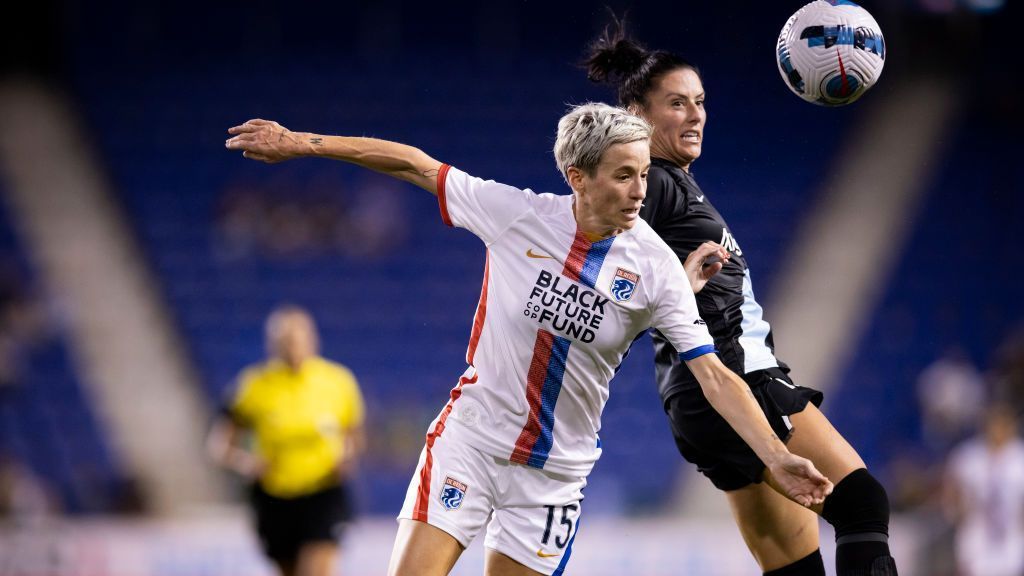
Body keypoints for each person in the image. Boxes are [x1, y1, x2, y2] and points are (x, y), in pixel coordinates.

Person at [224, 103, 832, 576]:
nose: (640, 191)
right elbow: (413, 162)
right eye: (623, 176)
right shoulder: (516, 214)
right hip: (473, 441)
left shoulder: (654, 266)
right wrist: (301, 143)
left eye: (644, 174)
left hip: (555, 476)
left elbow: (714, 374)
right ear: (578, 177)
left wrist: (776, 457)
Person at [583, 21, 898, 576]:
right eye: (677, 103)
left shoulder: (675, 183)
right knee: (863, 505)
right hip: (734, 379)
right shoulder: (651, 180)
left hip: (695, 399)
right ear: (637, 114)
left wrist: (672, 287)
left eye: (700, 101)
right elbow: (595, 263)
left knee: (795, 565)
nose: (696, 114)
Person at [207, 305, 366, 576]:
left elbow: (354, 433)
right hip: (274, 498)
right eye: (286, 341)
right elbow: (220, 444)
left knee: (317, 570)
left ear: (313, 340)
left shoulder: (338, 382)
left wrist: (347, 457)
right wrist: (246, 462)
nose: (293, 347)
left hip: (322, 492)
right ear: (273, 345)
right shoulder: (253, 387)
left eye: (299, 339)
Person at [944, 403, 1024, 576]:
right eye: (994, 424)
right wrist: (956, 512)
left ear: (1012, 426)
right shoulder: (967, 456)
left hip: (1011, 537)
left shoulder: (1020, 457)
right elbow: (951, 492)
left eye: (1003, 424)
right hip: (975, 536)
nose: (998, 430)